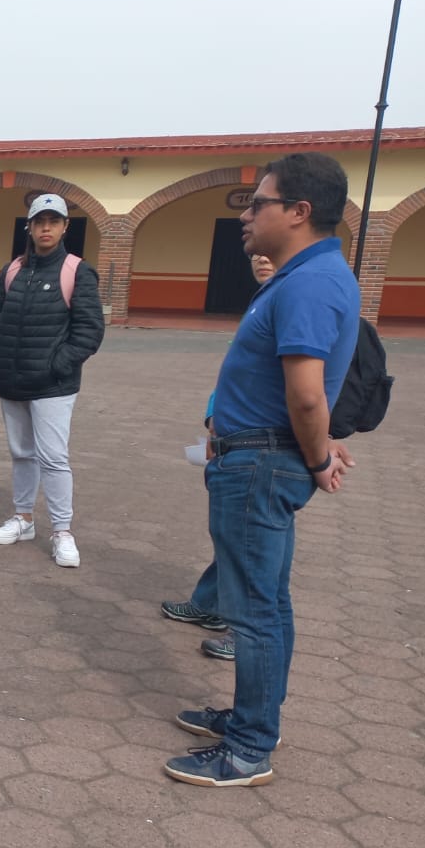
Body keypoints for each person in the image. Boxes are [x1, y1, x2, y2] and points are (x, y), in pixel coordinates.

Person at [165, 154, 359, 788]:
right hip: (258, 459)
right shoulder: (306, 276)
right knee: (264, 602)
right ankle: (249, 719)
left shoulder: (309, 282)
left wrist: (319, 455)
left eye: (259, 203)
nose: (246, 215)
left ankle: (248, 748)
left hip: (260, 465)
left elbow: (306, 393)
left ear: (299, 212)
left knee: (255, 611)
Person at [0, 193, 104, 567]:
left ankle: (62, 531)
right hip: (11, 380)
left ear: (66, 226)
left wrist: (57, 365)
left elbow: (89, 330)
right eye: (39, 221)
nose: (45, 228)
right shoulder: (12, 270)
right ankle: (23, 518)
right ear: (29, 227)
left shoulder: (77, 271)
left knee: (53, 458)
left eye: (53, 221)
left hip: (53, 385)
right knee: (22, 453)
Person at [161, 253, 277, 662]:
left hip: (263, 447)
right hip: (235, 436)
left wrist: (320, 451)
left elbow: (310, 387)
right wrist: (215, 417)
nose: (261, 258)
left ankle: (240, 629)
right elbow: (235, 373)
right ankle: (210, 604)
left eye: (271, 251)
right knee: (231, 535)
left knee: (251, 543)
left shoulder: (295, 300)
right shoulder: (264, 300)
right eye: (256, 254)